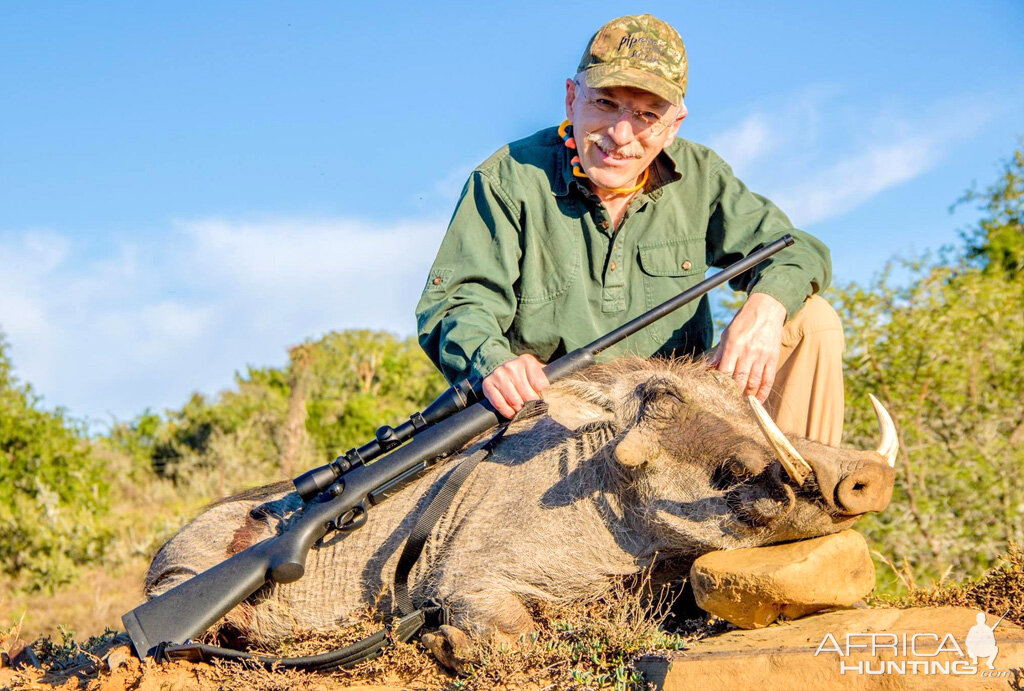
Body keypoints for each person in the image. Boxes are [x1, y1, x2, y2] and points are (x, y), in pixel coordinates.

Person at [416, 14, 845, 445]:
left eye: (646, 114)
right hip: (554, 406)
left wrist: (765, 307)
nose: (621, 135)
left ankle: (803, 500)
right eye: (604, 103)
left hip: (679, 402)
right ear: (571, 98)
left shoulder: (703, 175)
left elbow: (798, 250)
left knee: (812, 322)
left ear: (674, 126)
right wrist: (495, 364)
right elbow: (456, 303)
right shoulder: (507, 178)